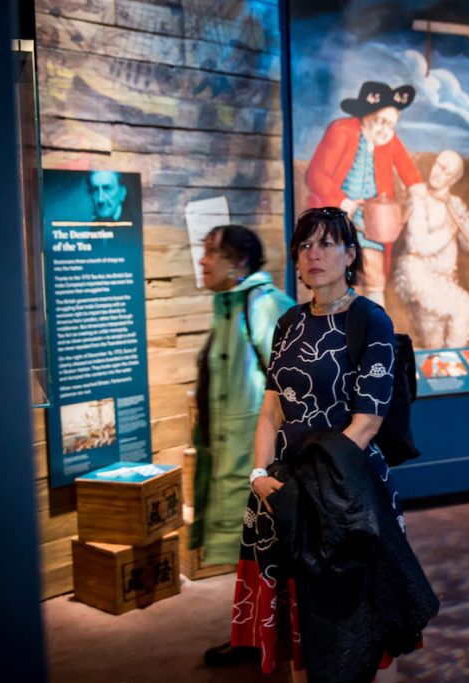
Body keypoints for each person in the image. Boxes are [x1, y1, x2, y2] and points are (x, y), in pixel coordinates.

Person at [231, 207, 436, 682]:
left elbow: (367, 422)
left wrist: (314, 485)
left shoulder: (370, 321)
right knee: (299, 615)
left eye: (326, 244)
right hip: (284, 490)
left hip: (345, 489)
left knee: (352, 618)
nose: (314, 254)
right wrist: (260, 475)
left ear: (349, 255)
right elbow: (271, 409)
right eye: (305, 246)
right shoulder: (288, 323)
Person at [196, 225, 295, 668]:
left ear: (238, 264)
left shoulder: (263, 306)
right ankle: (252, 638)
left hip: (262, 462)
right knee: (253, 555)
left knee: (269, 554)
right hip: (238, 455)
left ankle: (272, 642)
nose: (203, 261)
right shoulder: (230, 307)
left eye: (212, 252)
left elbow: (292, 388)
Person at [305, 81, 426, 306]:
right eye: (381, 121)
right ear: (366, 116)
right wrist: (341, 201)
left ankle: (375, 331)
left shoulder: (387, 138)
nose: (385, 129)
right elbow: (316, 174)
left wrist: (416, 192)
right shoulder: (342, 130)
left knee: (374, 276)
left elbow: (409, 170)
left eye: (391, 124)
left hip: (372, 225)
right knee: (340, 278)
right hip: (336, 222)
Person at [395, 150, 469, 349]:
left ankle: (446, 365)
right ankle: (454, 358)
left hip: (443, 278)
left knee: (434, 342)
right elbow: (418, 244)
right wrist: (449, 231)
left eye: (446, 171)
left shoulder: (455, 203)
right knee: (465, 309)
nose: (438, 173)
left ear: (453, 180)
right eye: (438, 165)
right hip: (418, 274)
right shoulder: (419, 198)